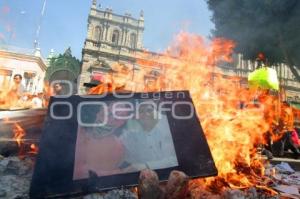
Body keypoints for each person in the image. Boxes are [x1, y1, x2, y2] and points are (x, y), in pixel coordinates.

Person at [119, 102, 178, 171]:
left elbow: (178, 159)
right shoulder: (130, 135)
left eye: (149, 110)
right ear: (135, 116)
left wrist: (147, 165)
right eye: (141, 111)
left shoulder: (172, 126)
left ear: (157, 111)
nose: (146, 114)